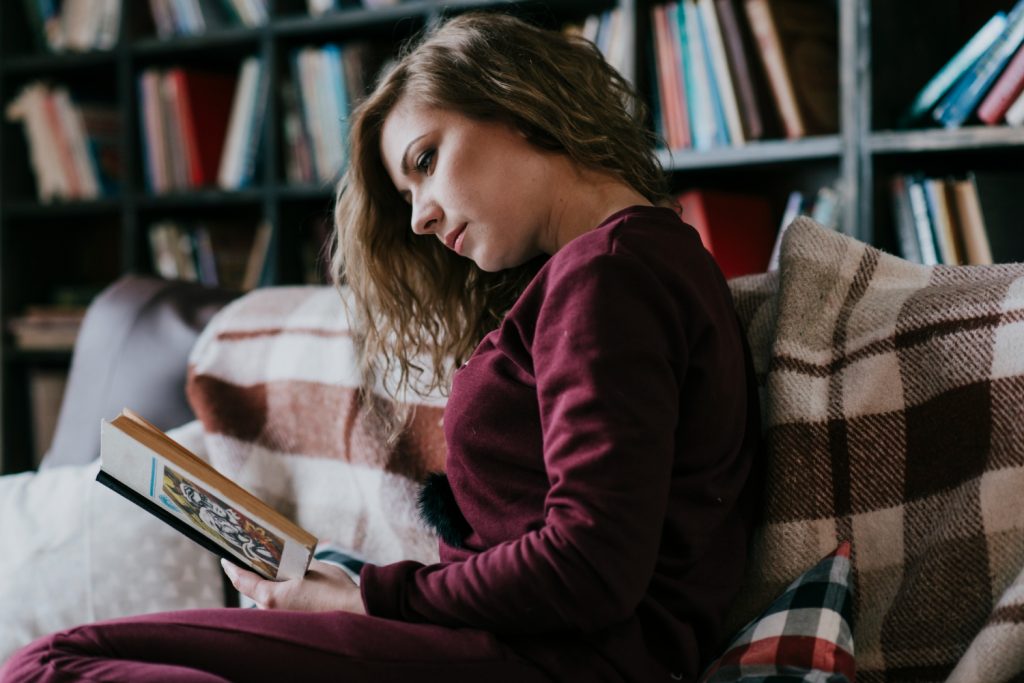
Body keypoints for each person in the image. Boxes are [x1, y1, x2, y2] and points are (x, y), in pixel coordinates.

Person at [1, 11, 762, 683]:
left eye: (426, 160)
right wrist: (358, 583)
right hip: (515, 646)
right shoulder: (630, 265)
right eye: (406, 199)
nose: (423, 218)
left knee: (53, 663)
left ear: (521, 106)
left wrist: (372, 594)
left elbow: (590, 566)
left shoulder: (609, 274)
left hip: (555, 661)